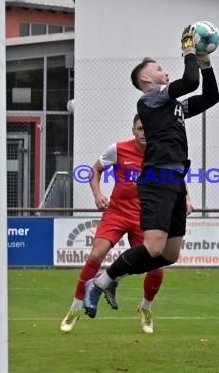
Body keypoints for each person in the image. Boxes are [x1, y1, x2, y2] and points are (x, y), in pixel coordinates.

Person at [83, 25, 219, 316]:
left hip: (174, 178)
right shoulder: (151, 99)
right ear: (146, 78)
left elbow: (210, 97)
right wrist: (189, 51)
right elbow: (189, 82)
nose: (164, 71)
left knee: (169, 255)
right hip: (157, 177)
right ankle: (101, 281)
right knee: (154, 247)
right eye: (158, 68)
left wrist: (205, 63)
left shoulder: (172, 106)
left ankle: (110, 277)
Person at [60, 115, 194, 334]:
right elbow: (94, 170)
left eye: (147, 128)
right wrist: (98, 194)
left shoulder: (161, 153)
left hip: (146, 216)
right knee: (96, 255)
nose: (144, 132)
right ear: (133, 130)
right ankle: (75, 308)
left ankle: (145, 308)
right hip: (118, 212)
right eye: (140, 128)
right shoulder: (118, 149)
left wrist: (186, 197)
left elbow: (175, 176)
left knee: (157, 266)